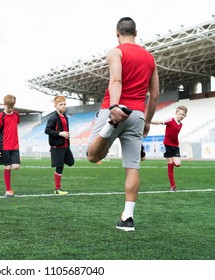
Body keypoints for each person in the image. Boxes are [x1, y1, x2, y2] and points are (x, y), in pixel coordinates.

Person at [87, 17, 160, 231]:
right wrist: (146, 121)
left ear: (117, 33)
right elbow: (154, 95)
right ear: (136, 32)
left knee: (93, 156)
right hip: (137, 115)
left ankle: (110, 125)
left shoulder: (116, 52)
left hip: (116, 109)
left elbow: (116, 80)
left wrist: (115, 107)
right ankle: (127, 218)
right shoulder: (150, 58)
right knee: (132, 167)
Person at [151, 105, 188, 192]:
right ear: (176, 113)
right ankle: (173, 186)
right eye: (180, 114)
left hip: (175, 146)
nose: (181, 116)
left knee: (178, 164)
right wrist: (149, 121)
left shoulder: (181, 125)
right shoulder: (170, 120)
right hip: (167, 145)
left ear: (185, 116)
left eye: (183, 115)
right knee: (170, 164)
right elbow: (159, 122)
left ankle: (172, 163)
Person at [44, 96, 74, 195]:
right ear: (55, 106)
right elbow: (47, 130)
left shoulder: (65, 117)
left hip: (65, 146)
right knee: (59, 167)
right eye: (61, 104)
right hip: (57, 147)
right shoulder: (53, 118)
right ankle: (57, 189)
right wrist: (60, 133)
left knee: (71, 162)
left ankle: (59, 160)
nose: (63, 106)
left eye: (64, 104)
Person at [0, 94, 21, 197]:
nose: (10, 109)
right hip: (5, 146)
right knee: (8, 167)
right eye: (8, 107)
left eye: (12, 107)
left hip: (15, 146)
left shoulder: (16, 115)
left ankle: (9, 189)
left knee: (16, 167)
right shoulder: (1, 116)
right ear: (4, 105)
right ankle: (8, 190)